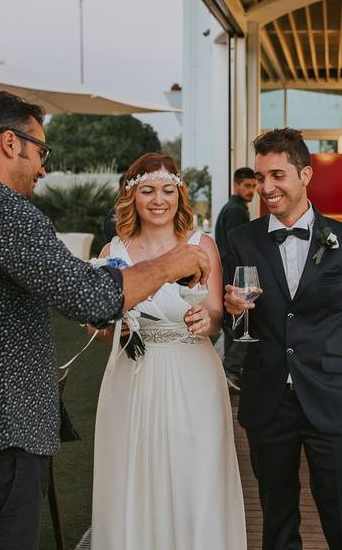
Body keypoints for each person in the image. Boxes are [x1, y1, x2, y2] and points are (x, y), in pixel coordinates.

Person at [0, 91, 209, 550]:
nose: (43, 167)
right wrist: (173, 263)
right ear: (11, 143)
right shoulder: (5, 210)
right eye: (41, 151)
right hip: (0, 445)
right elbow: (90, 297)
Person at [223, 128, 342, 550]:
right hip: (268, 401)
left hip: (332, 399)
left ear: (305, 174)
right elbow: (238, 334)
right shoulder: (240, 241)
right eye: (261, 178)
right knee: (277, 523)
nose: (266, 187)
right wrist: (234, 315)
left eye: (277, 175)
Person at [91, 152, 247, 550]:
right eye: (147, 190)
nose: (158, 200)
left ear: (179, 195)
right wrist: (112, 324)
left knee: (194, 474)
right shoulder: (114, 253)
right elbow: (98, 324)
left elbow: (214, 314)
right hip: (132, 379)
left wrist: (207, 320)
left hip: (193, 376)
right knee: (134, 472)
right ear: (132, 197)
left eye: (166, 190)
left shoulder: (202, 245)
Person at [214, 166, 257, 389]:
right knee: (245, 324)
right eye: (247, 185)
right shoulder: (235, 211)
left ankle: (232, 373)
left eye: (253, 185)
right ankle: (230, 368)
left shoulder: (234, 208)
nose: (252, 190)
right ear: (236, 185)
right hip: (234, 274)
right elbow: (237, 247)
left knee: (234, 325)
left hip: (228, 273)